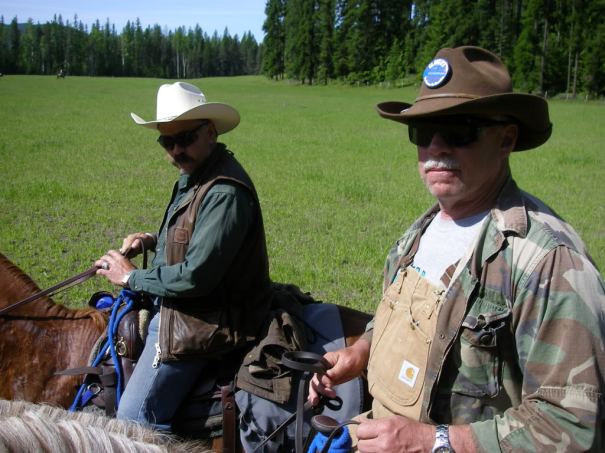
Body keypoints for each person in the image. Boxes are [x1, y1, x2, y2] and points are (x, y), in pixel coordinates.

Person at [309, 46, 605, 452]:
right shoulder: (420, 233)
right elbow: (403, 325)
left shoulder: (548, 262)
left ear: (506, 139)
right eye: (423, 131)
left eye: (458, 129)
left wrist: (434, 441)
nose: (436, 147)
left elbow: (572, 426)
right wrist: (360, 351)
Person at [95, 81, 273, 431]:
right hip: (193, 307)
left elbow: (196, 277)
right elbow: (194, 236)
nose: (176, 150)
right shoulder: (197, 174)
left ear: (210, 132)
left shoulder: (224, 192)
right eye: (167, 142)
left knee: (133, 418)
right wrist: (152, 240)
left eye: (185, 138)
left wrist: (131, 276)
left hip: (208, 318)